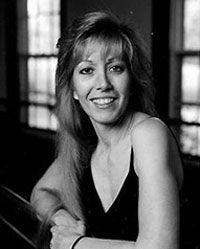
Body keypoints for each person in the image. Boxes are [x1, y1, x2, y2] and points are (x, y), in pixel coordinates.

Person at [30, 11, 184, 249]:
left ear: (131, 80)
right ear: (72, 89)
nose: (103, 83)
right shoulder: (86, 146)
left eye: (115, 68)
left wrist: (76, 244)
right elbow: (41, 192)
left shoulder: (149, 134)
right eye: (86, 70)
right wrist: (63, 219)